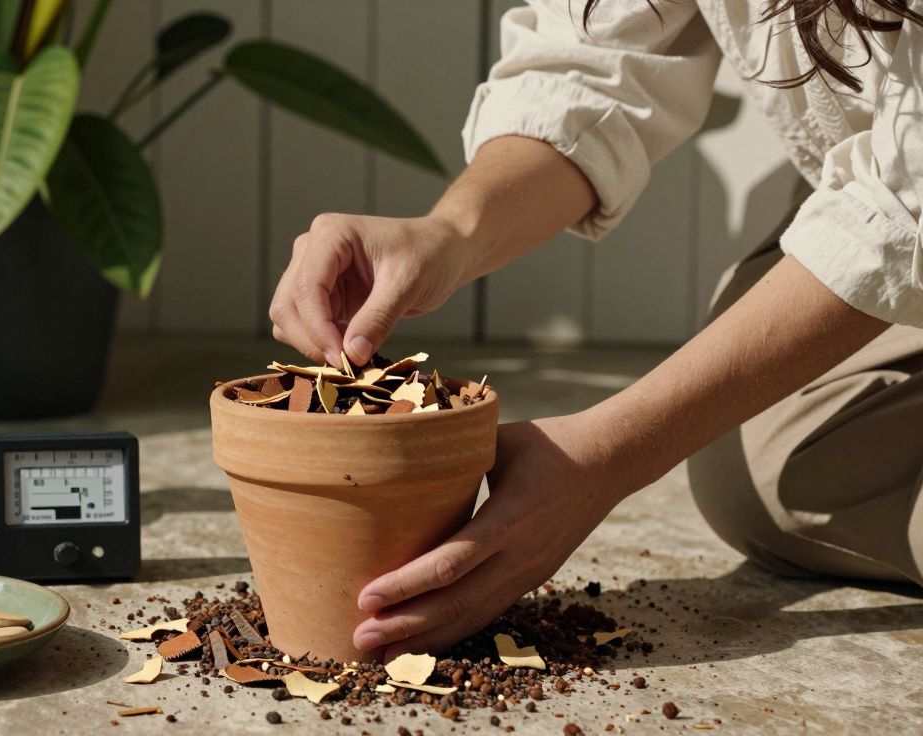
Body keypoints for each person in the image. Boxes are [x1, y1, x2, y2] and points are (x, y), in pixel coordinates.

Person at [268, 0, 923, 659]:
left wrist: (609, 455)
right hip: (879, 160)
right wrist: (450, 234)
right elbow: (597, 62)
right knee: (766, 471)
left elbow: (909, 197)